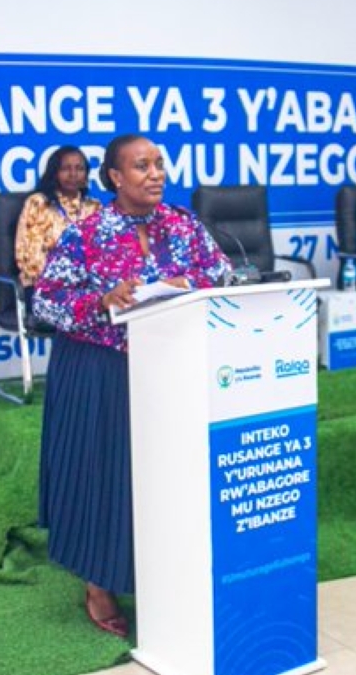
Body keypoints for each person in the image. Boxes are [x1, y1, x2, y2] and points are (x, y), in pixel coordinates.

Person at [31, 134, 230, 637]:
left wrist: (189, 285)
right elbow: (46, 303)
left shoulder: (182, 224)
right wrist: (102, 301)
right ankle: (99, 583)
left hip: (172, 365)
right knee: (105, 477)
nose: (156, 174)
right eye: (142, 166)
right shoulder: (87, 232)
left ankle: (168, 572)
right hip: (101, 369)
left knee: (166, 475)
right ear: (115, 178)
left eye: (159, 164)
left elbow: (223, 274)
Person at [15, 145, 102, 288]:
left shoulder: (94, 207)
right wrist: (67, 280)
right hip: (45, 285)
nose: (73, 174)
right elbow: (30, 260)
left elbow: (102, 252)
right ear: (54, 173)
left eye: (79, 169)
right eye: (65, 169)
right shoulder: (39, 204)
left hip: (87, 284)